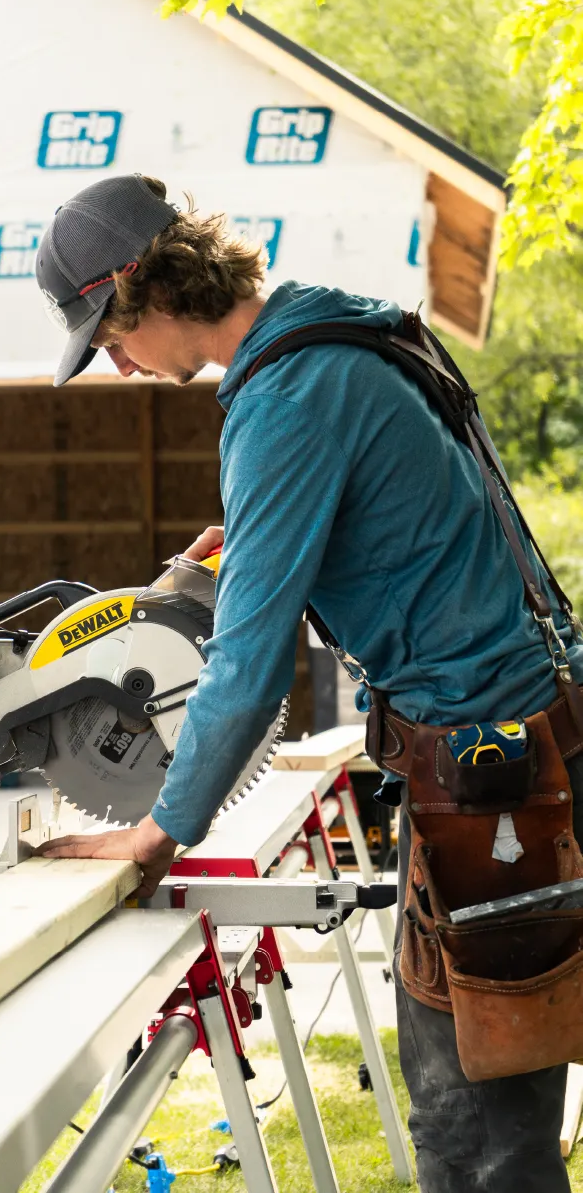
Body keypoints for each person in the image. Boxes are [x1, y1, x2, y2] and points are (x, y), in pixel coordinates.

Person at [33, 172, 583, 1192]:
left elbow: (243, 670)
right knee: (486, 1120)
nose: (117, 365)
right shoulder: (351, 339)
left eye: (109, 337)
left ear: (148, 290)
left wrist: (158, 831)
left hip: (486, 783)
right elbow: (417, 524)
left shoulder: (283, 397)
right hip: (525, 742)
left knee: (477, 1145)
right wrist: (265, 536)